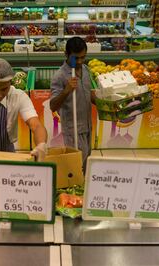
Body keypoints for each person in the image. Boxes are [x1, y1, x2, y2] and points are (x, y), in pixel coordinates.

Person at [50, 37, 95, 172]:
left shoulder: (86, 70)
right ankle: (75, 188)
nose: (80, 61)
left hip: (87, 125)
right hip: (73, 128)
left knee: (87, 160)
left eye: (83, 57)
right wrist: (66, 90)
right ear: (66, 54)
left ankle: (84, 187)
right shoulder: (60, 76)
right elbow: (53, 106)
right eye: (76, 58)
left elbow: (89, 93)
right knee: (76, 163)